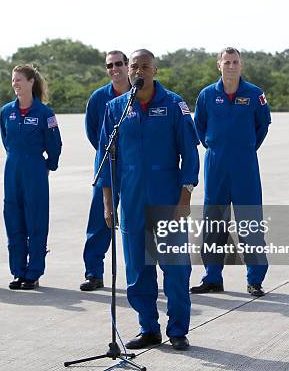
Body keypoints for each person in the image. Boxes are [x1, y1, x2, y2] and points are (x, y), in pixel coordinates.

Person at [98, 49, 199, 351]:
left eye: (145, 67)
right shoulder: (116, 108)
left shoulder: (173, 104)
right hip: (132, 201)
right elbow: (105, 160)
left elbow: (191, 156)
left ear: (155, 71)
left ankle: (178, 329)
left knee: (176, 268)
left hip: (167, 199)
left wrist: (185, 196)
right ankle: (149, 328)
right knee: (138, 272)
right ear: (127, 72)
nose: (139, 72)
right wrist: (107, 203)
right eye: (134, 67)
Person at [191, 47, 271, 297]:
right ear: (219, 65)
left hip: (245, 163)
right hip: (216, 164)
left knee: (250, 222)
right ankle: (212, 277)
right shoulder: (206, 95)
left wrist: (245, 147)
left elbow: (262, 125)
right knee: (214, 222)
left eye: (235, 62)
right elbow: (200, 127)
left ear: (241, 65)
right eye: (227, 62)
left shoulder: (255, 94)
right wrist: (215, 146)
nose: (231, 66)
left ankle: (255, 279)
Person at [0, 64, 62, 290]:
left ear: (30, 82)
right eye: (13, 79)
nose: (15, 83)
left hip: (35, 170)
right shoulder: (7, 111)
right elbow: (5, 138)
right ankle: (18, 271)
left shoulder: (45, 113)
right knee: (13, 220)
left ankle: (34, 272)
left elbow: (55, 144)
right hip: (12, 168)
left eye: (19, 80)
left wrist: (49, 165)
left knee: (35, 221)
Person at [80, 50, 131, 292]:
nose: (114, 69)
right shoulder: (98, 98)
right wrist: (109, 154)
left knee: (142, 220)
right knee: (100, 219)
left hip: (136, 167)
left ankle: (149, 272)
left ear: (127, 65)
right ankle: (93, 273)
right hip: (108, 165)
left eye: (119, 64)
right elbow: (93, 132)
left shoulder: (140, 93)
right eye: (110, 65)